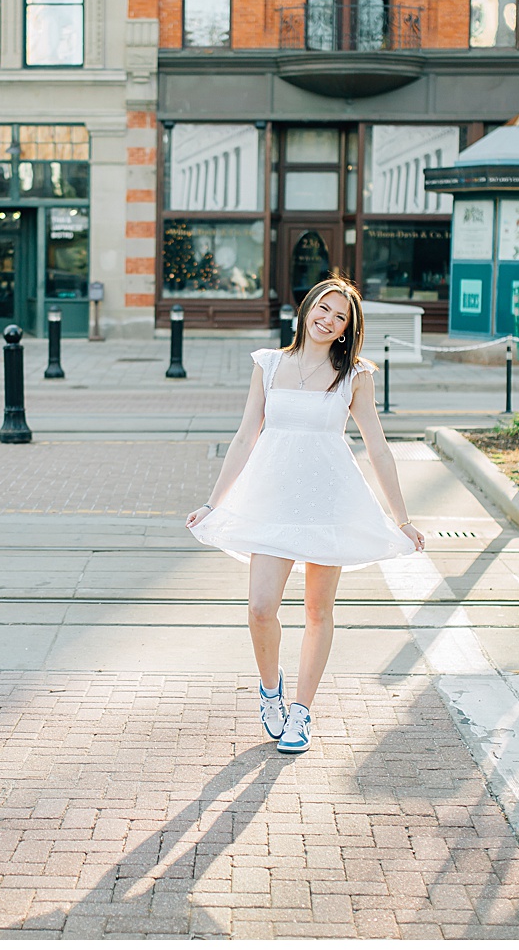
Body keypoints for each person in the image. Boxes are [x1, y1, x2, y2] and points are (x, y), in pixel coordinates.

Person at [186, 276, 425, 754]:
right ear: (308, 308)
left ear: (346, 330)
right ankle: (270, 691)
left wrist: (401, 518)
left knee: (318, 610)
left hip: (327, 503)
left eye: (340, 317)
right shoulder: (269, 364)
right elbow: (244, 437)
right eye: (323, 308)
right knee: (260, 609)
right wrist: (214, 502)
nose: (328, 319)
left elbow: (377, 447)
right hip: (271, 502)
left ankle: (301, 712)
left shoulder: (354, 376)